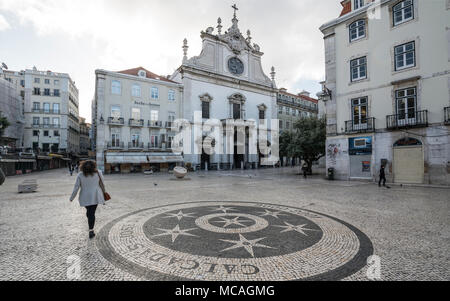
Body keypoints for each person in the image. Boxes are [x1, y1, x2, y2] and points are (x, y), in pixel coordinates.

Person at [69, 160, 105, 239]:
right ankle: (91, 230)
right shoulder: (98, 172)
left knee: (90, 213)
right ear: (94, 166)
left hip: (84, 196)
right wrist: (104, 194)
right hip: (95, 195)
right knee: (91, 213)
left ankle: (91, 229)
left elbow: (76, 187)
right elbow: (102, 183)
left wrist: (72, 197)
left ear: (82, 166)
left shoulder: (80, 175)